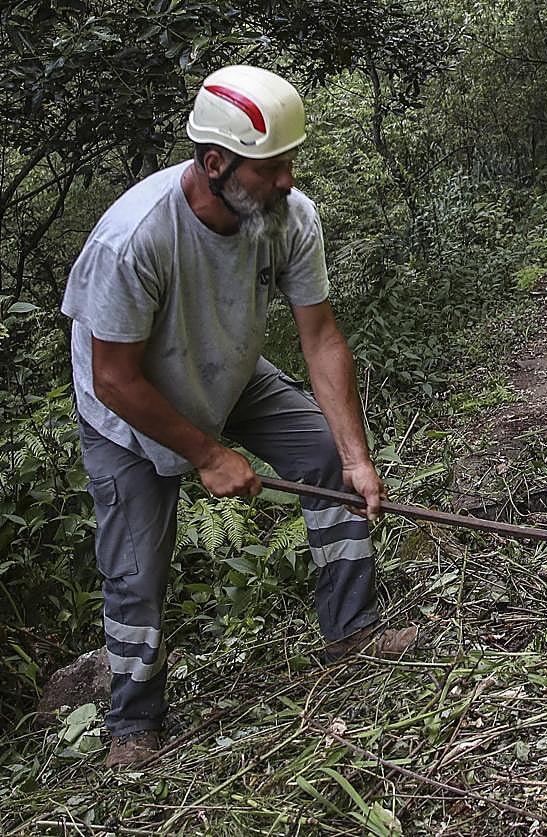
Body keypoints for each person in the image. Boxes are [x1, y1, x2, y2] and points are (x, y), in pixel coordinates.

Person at [61, 65, 412, 769]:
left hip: (228, 369)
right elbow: (114, 377)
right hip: (130, 409)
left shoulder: (289, 217)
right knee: (137, 566)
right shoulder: (134, 238)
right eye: (271, 166)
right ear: (215, 162)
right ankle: (133, 723)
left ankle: (350, 627)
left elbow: (320, 338)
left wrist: (356, 454)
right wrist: (207, 453)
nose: (286, 180)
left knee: (323, 456)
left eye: (289, 163)